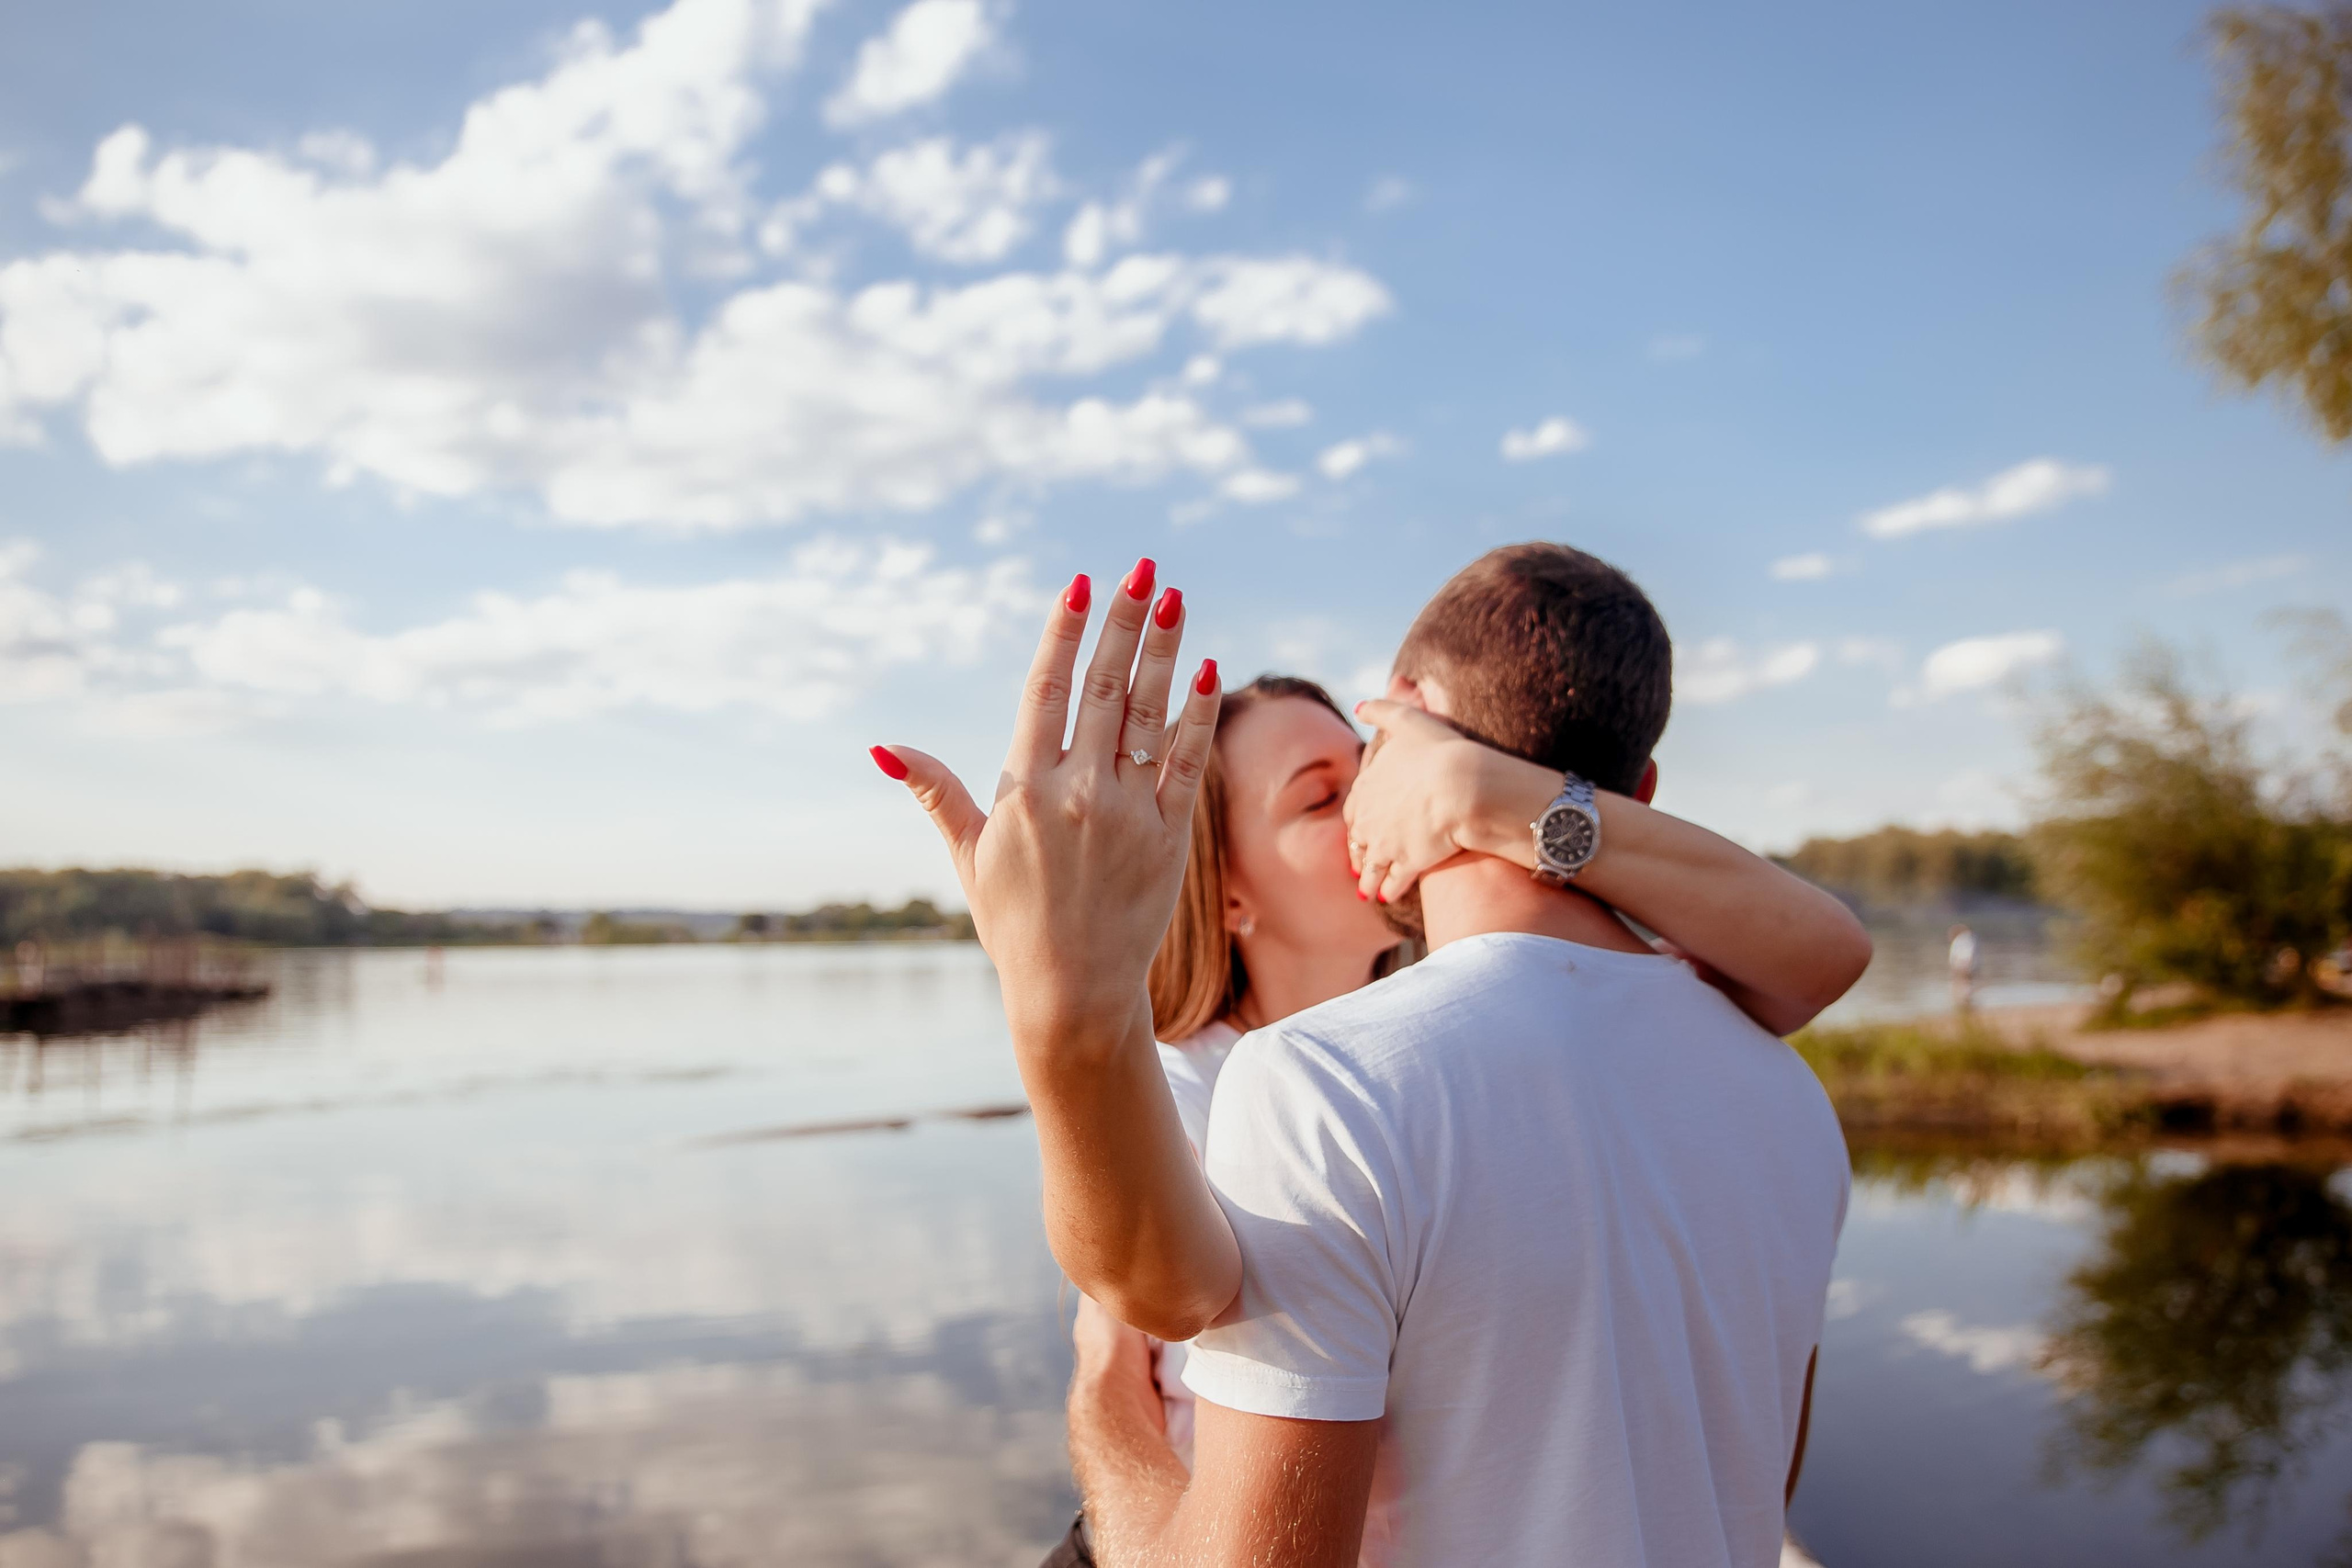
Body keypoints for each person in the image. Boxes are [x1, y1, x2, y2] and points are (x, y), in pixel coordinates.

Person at [877, 546, 1855, 1565]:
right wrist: (1069, 1007)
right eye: (1314, 797)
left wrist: (1102, 1406)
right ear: (1224, 890)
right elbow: (1165, 1289)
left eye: (1365, 762)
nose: (1361, 809)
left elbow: (1825, 951)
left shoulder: (1344, 1079)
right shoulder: (1247, 1084)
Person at [1949, 922, 1978, 1012]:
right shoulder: (1967, 939)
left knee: (1964, 985)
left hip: (1963, 967)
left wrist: (1963, 967)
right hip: (1964, 966)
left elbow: (1966, 955)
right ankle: (1966, 1003)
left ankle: (1965, 1005)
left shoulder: (1964, 940)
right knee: (1965, 985)